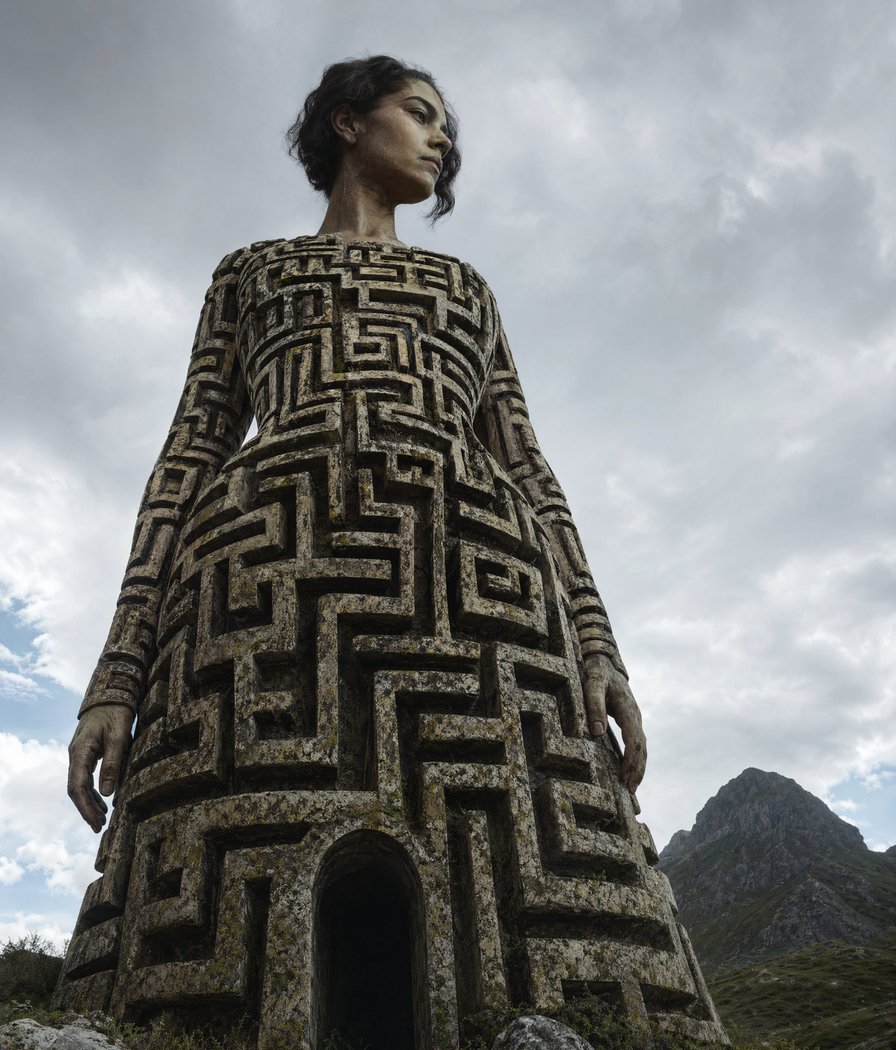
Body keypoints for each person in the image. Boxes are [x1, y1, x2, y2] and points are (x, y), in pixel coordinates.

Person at [67, 54, 646, 835]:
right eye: (420, 113)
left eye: (446, 127)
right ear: (348, 121)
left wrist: (596, 643)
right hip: (259, 601)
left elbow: (528, 468)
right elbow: (189, 458)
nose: (440, 140)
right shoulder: (252, 273)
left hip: (473, 597)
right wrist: (119, 673)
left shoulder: (466, 289)